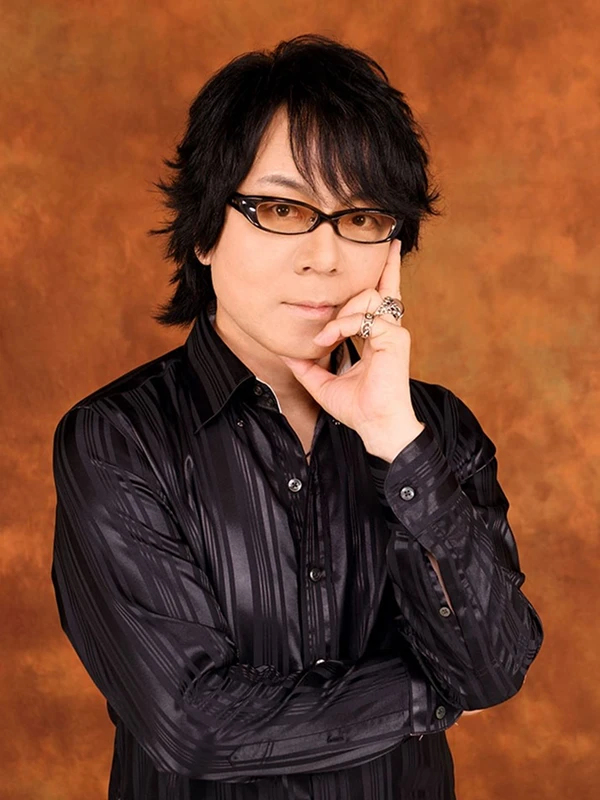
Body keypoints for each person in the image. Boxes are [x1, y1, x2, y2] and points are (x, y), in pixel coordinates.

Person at [50, 33, 544, 800]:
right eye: (282, 208)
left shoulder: (435, 431)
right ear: (205, 231)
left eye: (361, 217)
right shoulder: (116, 440)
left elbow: (498, 665)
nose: (325, 256)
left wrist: (396, 443)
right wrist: (435, 693)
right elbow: (194, 725)